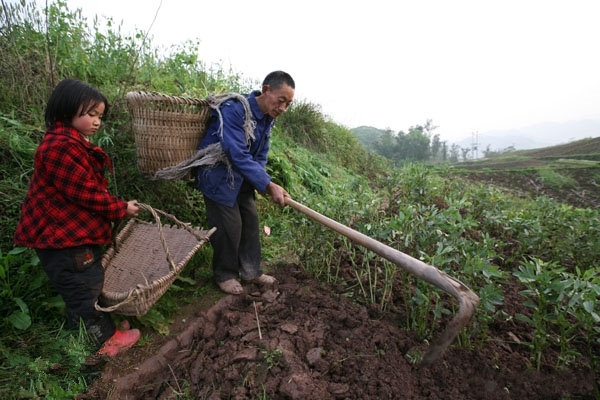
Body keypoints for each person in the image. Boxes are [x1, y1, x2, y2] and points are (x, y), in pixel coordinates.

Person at [14, 79, 141, 356]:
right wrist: (120, 209)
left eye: (100, 116)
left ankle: (85, 337)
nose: (97, 122)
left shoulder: (69, 143)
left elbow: (87, 190)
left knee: (81, 287)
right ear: (68, 110)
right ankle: (105, 343)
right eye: (91, 114)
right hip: (65, 240)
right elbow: (85, 193)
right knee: (84, 290)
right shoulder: (60, 147)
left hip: (68, 237)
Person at [196, 70, 295, 295]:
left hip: (242, 178)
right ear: (266, 89)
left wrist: (261, 182)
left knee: (250, 221)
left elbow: (260, 155)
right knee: (230, 226)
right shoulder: (234, 109)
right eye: (281, 101)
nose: (282, 109)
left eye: (288, 104)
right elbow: (236, 152)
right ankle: (224, 274)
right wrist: (268, 185)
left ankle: (251, 272)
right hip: (218, 176)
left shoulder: (268, 119)